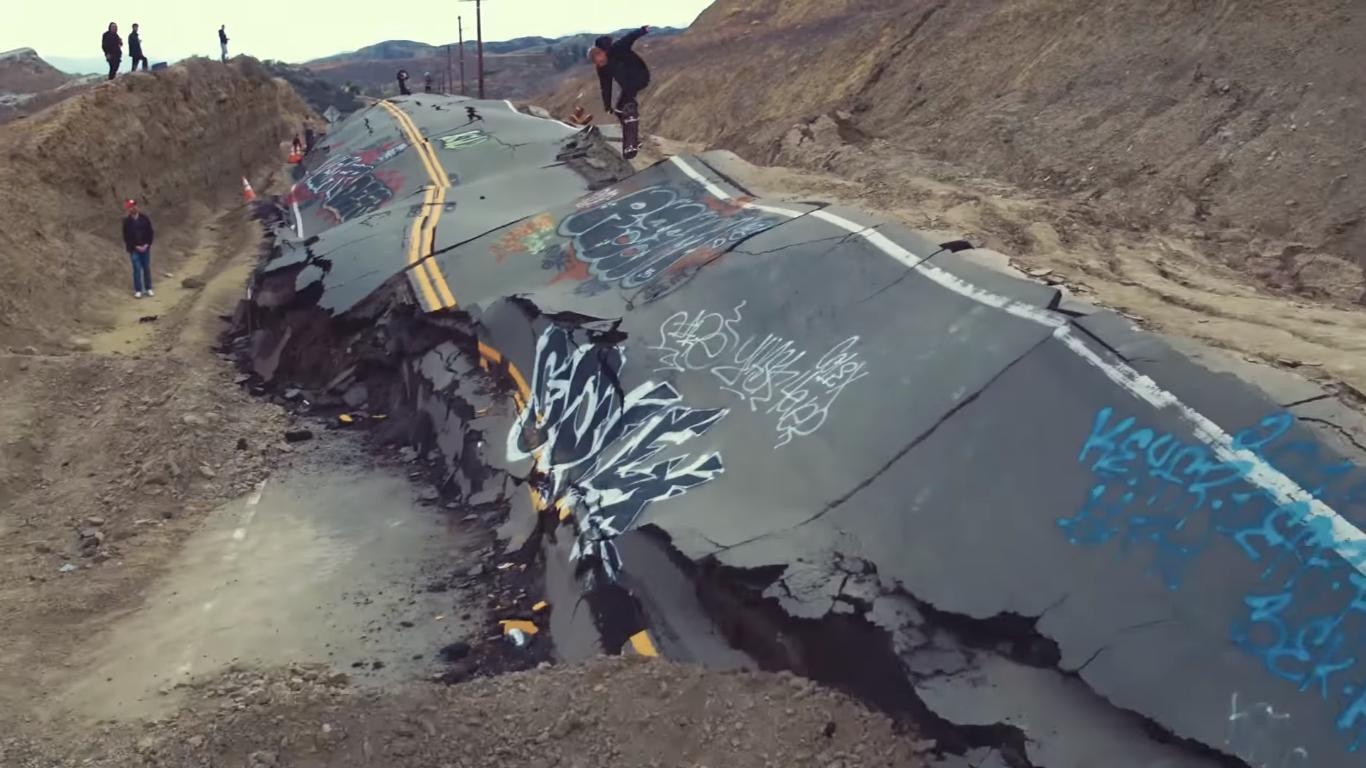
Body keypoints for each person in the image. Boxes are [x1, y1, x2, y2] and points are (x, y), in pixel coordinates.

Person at [590, 26, 651, 159]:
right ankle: (633, 139)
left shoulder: (617, 48)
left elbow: (629, 38)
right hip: (627, 84)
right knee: (619, 110)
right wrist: (607, 105)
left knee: (628, 108)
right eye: (597, 63)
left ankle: (631, 146)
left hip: (639, 75)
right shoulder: (602, 68)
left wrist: (643, 30)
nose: (600, 63)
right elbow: (605, 86)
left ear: (603, 52)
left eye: (600, 60)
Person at [121, 199, 155, 298]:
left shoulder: (145, 219)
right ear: (128, 209)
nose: (133, 208)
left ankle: (148, 288)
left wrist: (147, 245)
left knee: (146, 268)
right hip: (134, 249)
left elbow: (150, 232)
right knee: (136, 269)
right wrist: (135, 246)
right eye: (131, 207)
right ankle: (138, 290)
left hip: (145, 248)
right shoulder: (126, 222)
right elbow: (126, 237)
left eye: (134, 206)